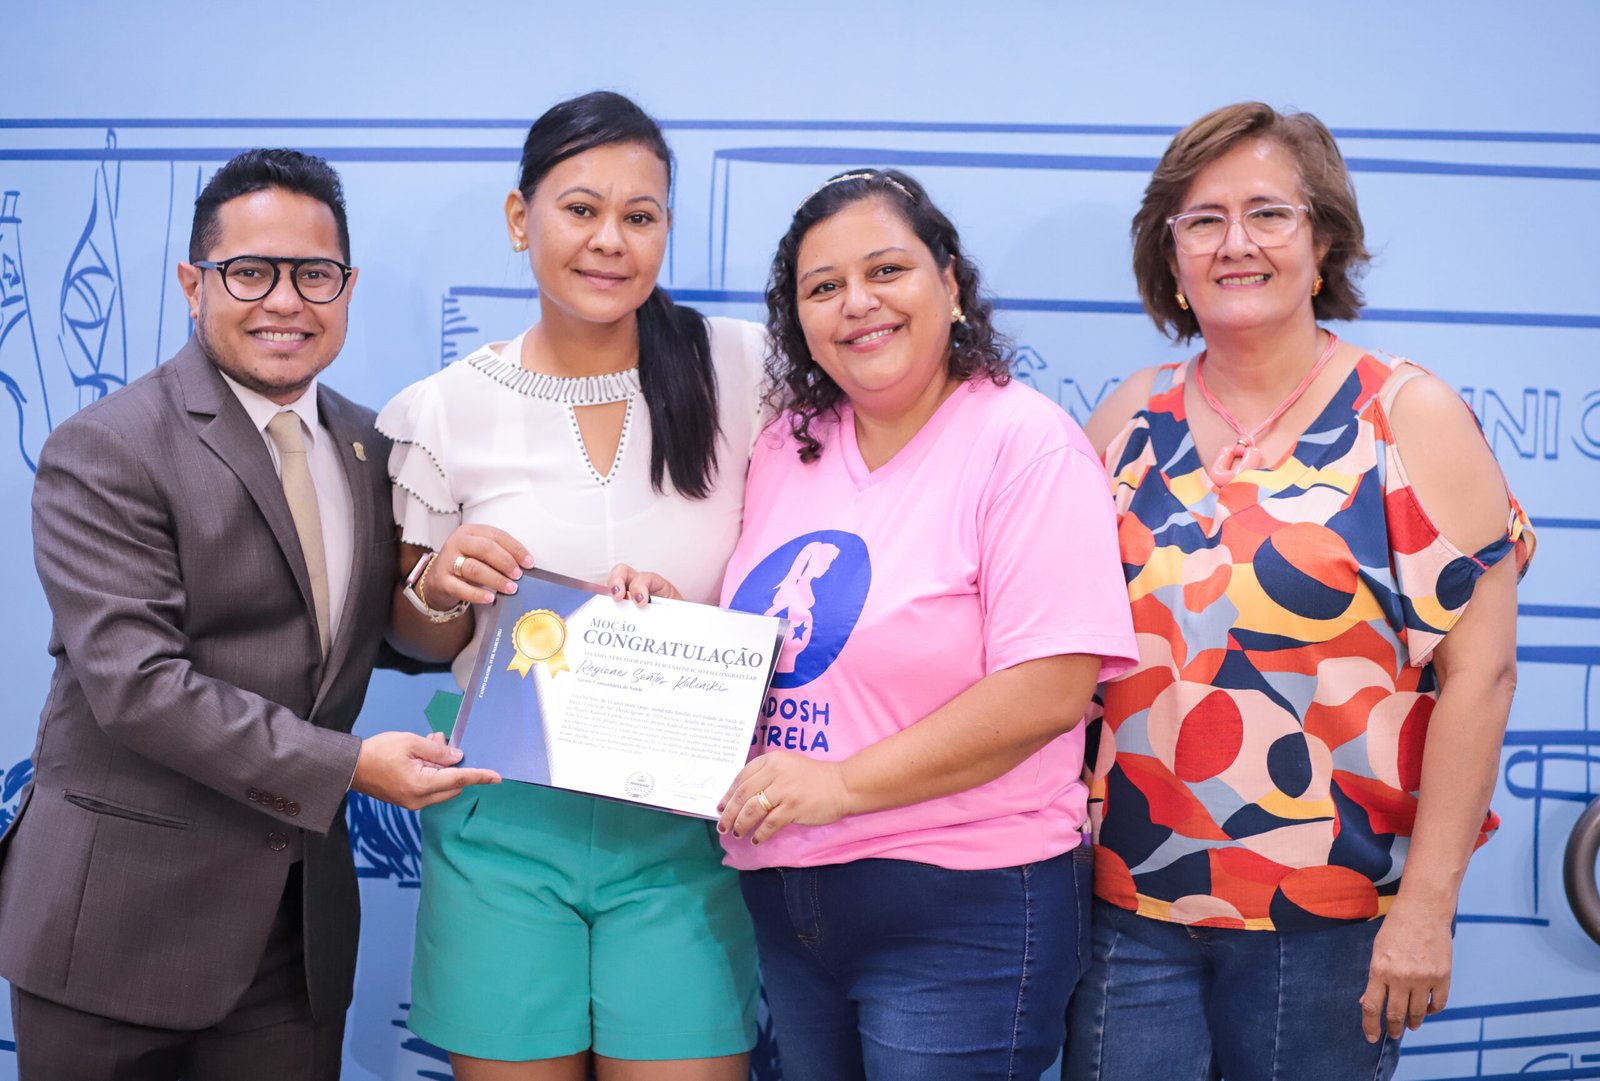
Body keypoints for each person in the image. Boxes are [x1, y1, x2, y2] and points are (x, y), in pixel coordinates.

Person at [623, 167, 1138, 1081]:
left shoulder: (1025, 442)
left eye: (886, 270)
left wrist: (844, 785)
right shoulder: (790, 444)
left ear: (949, 281)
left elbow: (1052, 688)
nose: (857, 304)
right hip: (790, 903)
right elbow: (783, 641)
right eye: (823, 288)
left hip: (961, 905)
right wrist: (668, 630)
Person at [0, 149, 499, 1080]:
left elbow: (366, 634)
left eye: (314, 275)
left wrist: (446, 588)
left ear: (345, 288)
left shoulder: (367, 444)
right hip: (119, 929)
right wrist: (352, 766)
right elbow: (137, 687)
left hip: (294, 938)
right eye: (249, 272)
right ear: (194, 284)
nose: (285, 300)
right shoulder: (106, 447)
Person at [1065, 102, 1535, 1081]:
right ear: (1173, 258)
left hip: (1327, 927)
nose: (1235, 243)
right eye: (1202, 220)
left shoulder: (1408, 415)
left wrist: (1428, 907)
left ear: (1322, 244)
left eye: (1267, 214)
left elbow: (1480, 677)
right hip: (1128, 915)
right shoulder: (1125, 417)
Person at [379, 92, 767, 1081]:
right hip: (502, 820)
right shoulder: (443, 407)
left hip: (684, 825)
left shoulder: (744, 367)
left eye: (639, 217)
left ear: (666, 229)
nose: (610, 241)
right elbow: (421, 640)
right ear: (521, 220)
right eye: (580, 209)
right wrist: (442, 582)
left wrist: (690, 618)